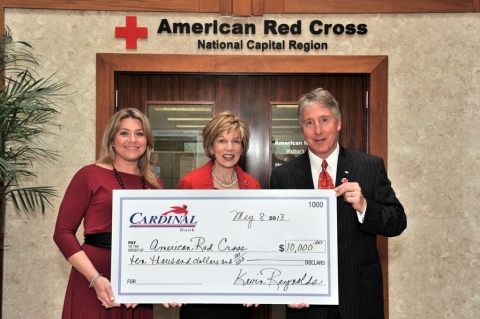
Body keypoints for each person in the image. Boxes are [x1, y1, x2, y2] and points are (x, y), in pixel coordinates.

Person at [270, 88, 407, 319]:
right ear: (301, 128)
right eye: (309, 122)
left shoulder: (369, 166)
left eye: (325, 120)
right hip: (306, 302)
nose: (318, 130)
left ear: (339, 123)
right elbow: (274, 238)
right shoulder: (283, 176)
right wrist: (285, 287)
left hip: (359, 298)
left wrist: (364, 206)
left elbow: (397, 222)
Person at [53, 108, 164, 319]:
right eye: (124, 133)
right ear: (112, 139)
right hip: (94, 275)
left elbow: (160, 240)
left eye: (139, 133)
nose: (132, 139)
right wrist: (95, 278)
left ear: (147, 141)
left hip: (137, 284)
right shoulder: (89, 175)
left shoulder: (155, 185)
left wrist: (153, 282)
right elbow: (63, 233)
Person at [177, 110, 260, 319]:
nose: (229, 148)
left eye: (236, 141)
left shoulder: (253, 186)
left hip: (240, 289)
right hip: (198, 289)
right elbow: (177, 239)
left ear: (243, 148)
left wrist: (258, 281)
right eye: (222, 140)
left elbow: (258, 240)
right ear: (211, 146)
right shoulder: (190, 183)